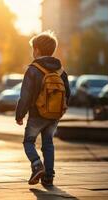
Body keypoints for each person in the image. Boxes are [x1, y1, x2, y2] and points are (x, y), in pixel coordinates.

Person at [15, 31, 70, 186]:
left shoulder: (33, 69)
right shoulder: (60, 70)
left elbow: (25, 95)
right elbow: (68, 92)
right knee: (48, 143)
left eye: (33, 49)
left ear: (37, 50)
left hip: (36, 114)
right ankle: (49, 177)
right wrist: (60, 110)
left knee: (28, 141)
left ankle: (37, 165)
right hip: (54, 116)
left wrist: (20, 114)